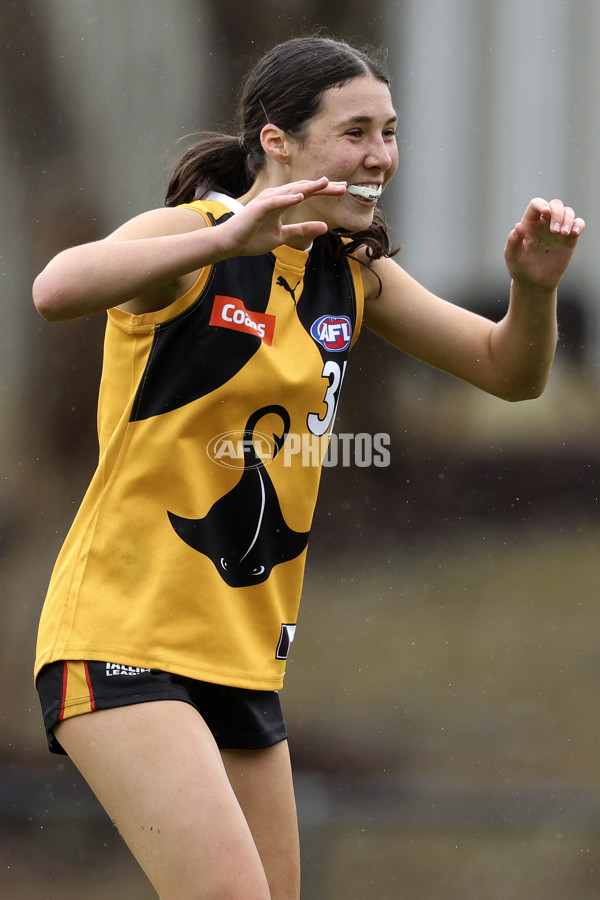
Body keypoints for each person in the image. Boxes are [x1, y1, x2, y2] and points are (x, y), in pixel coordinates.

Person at [32, 33, 584, 900]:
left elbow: (508, 373)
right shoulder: (193, 238)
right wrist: (224, 240)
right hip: (120, 639)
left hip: (246, 659)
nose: (381, 157)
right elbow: (56, 288)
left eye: (391, 131)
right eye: (356, 132)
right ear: (276, 141)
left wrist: (536, 290)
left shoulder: (354, 275)